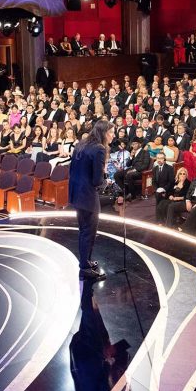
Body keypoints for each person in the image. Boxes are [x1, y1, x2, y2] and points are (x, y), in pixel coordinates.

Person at [69, 120, 113, 281]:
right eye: (111, 132)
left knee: (83, 230)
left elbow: (74, 169)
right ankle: (85, 269)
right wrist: (106, 182)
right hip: (88, 196)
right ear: (103, 133)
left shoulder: (81, 144)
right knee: (89, 232)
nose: (113, 135)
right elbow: (96, 181)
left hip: (76, 193)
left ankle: (85, 261)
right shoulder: (99, 149)